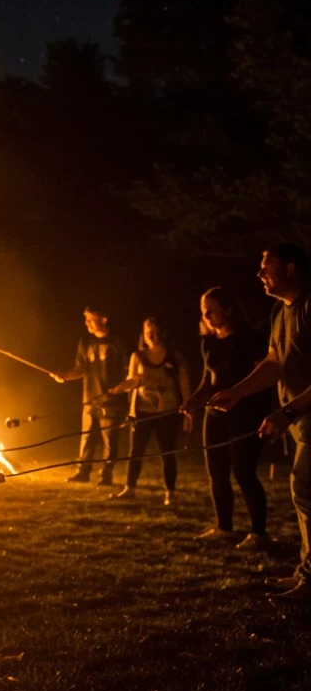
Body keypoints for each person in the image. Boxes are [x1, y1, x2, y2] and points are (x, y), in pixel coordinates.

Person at [210, 243, 311, 605]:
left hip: (303, 416)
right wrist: (236, 392)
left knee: (304, 490)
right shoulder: (278, 313)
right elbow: (275, 361)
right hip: (301, 421)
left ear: (292, 268)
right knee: (304, 493)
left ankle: (309, 576)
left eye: (267, 266)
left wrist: (286, 412)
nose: (260, 273)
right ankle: (307, 572)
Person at [180, 287, 270, 546]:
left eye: (211, 310)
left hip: (246, 414)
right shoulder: (208, 342)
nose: (206, 315)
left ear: (228, 310)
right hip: (215, 415)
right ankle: (225, 528)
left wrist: (254, 404)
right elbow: (209, 381)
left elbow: (265, 377)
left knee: (243, 472)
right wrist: (193, 400)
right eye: (203, 311)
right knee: (217, 473)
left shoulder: (250, 339)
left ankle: (259, 533)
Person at [107, 318, 192, 504]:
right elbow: (134, 378)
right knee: (135, 451)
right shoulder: (138, 356)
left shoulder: (174, 356)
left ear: (162, 332)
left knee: (167, 452)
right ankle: (130, 488)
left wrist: (188, 408)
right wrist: (121, 387)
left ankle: (170, 492)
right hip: (142, 411)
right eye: (148, 332)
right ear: (143, 335)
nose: (151, 335)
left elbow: (184, 382)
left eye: (154, 331)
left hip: (168, 411)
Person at [58, 307, 127, 485]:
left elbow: (128, 369)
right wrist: (65, 376)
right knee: (87, 438)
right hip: (90, 399)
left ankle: (105, 475)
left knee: (109, 441)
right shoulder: (85, 342)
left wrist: (123, 387)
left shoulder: (117, 341)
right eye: (86, 319)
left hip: (111, 401)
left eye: (90, 319)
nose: (86, 323)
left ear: (103, 319)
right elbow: (80, 368)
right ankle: (83, 472)